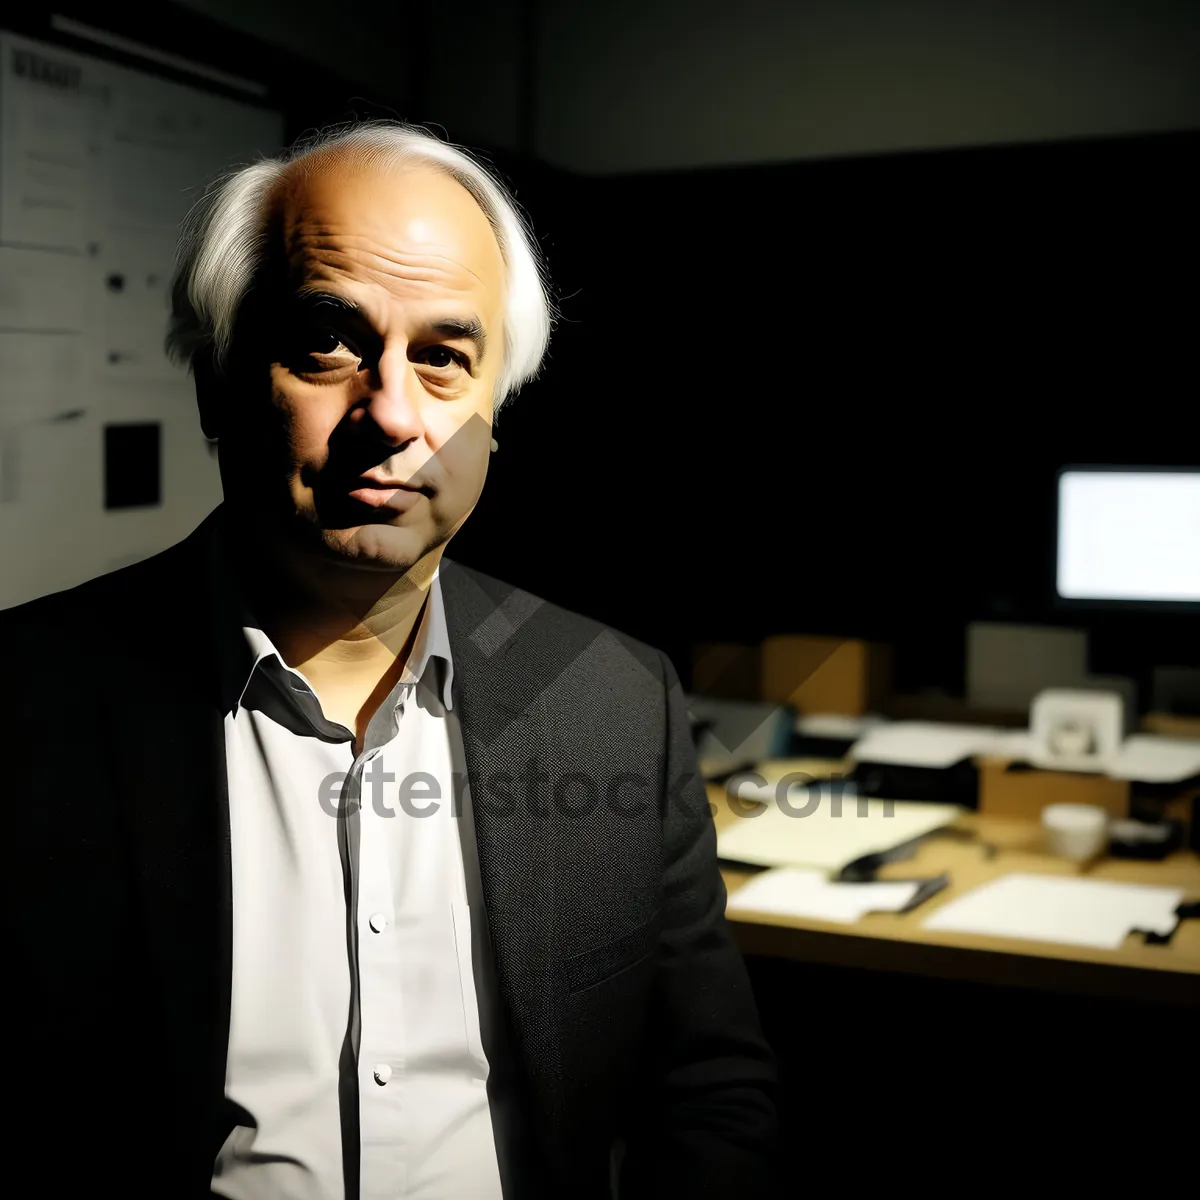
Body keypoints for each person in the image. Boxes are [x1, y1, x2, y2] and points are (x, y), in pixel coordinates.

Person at [0, 120, 777, 1198]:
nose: (394, 415)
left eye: (445, 359)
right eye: (328, 342)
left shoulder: (612, 699)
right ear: (219, 385)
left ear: (494, 418)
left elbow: (708, 1086)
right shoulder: (25, 704)